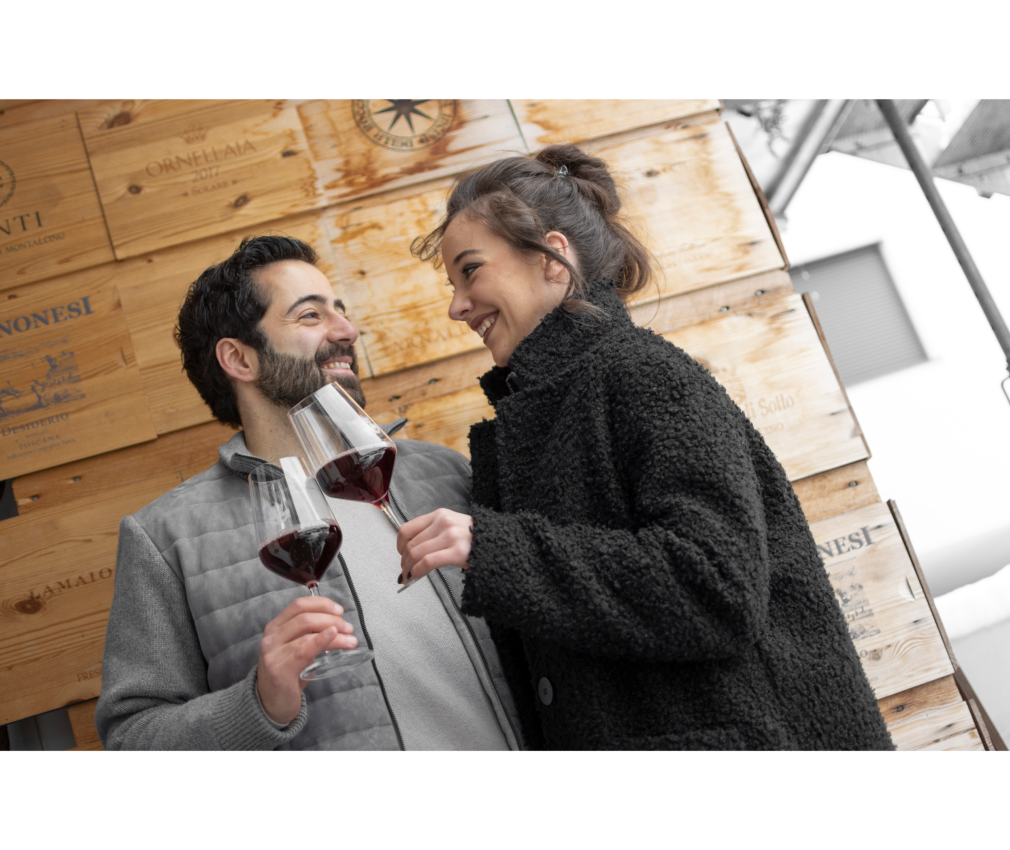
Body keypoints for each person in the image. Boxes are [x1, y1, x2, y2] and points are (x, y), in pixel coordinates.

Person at [397, 146, 896, 752]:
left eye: (470, 271)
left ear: (553, 259)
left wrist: (494, 549)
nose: (456, 307)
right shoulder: (537, 415)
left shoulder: (640, 373)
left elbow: (716, 584)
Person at [96, 235, 524, 752]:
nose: (347, 331)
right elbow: (132, 737)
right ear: (240, 358)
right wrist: (257, 703)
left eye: (340, 311)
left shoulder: (444, 472)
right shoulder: (166, 539)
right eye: (310, 316)